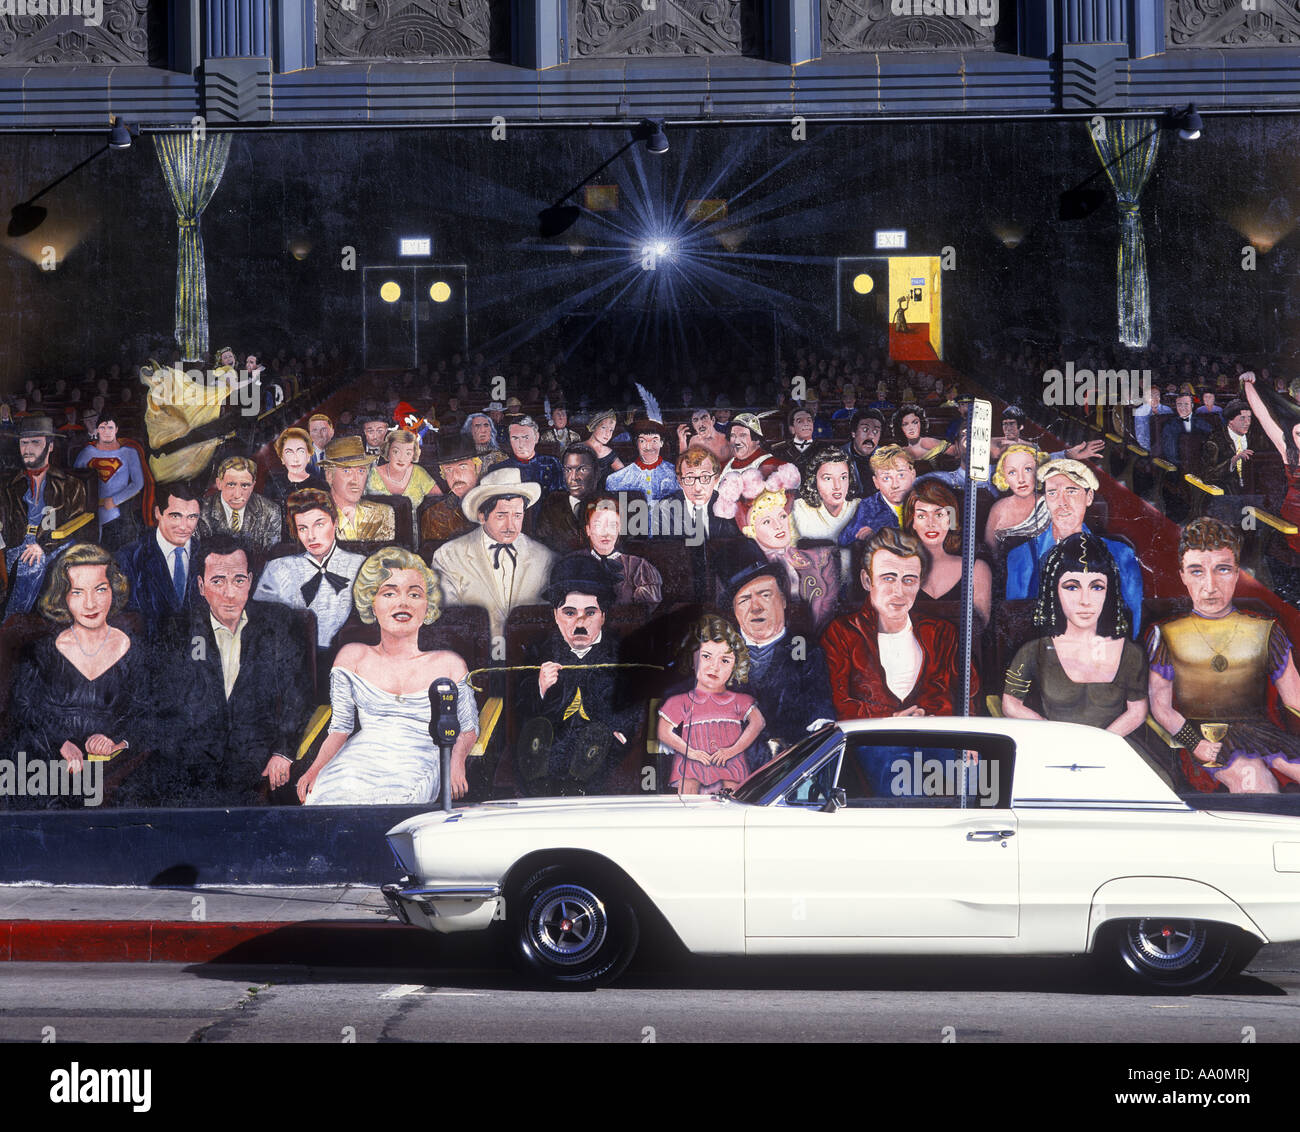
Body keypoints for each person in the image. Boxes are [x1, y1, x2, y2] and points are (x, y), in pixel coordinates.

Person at [297, 548, 477, 805]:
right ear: (372, 602)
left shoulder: (449, 664)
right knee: (322, 798)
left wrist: (456, 763)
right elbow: (340, 728)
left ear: (428, 606)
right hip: (358, 759)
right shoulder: (352, 657)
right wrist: (315, 770)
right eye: (389, 593)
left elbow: (468, 730)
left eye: (414, 594)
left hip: (419, 760)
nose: (402, 603)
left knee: (395, 804)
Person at [149, 535, 312, 806]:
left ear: (250, 581)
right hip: (192, 765)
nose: (229, 592)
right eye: (217, 581)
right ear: (201, 586)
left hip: (257, 761)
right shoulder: (178, 631)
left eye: (238, 580)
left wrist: (283, 753)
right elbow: (164, 704)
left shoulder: (279, 623)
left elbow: (298, 694)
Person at [1147, 517, 1300, 794]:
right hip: (1203, 739)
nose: (1210, 586)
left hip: (1263, 735)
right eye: (1196, 571)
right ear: (1182, 574)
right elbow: (1161, 707)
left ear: (1237, 572)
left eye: (1223, 570)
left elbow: (1295, 696)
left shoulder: (1266, 630)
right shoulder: (1166, 634)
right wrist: (1194, 742)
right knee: (1255, 780)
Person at [9, 543, 149, 806]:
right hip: (45, 770)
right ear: (63, 596)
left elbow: (148, 715)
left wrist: (118, 741)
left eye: (100, 589)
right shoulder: (43, 651)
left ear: (113, 590)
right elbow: (23, 710)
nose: (90, 603)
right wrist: (60, 743)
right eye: (78, 592)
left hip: (112, 776)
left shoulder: (136, 651)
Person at [513, 554, 643, 795]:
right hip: (552, 742)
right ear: (555, 615)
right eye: (570, 613)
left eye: (590, 613)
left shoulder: (622, 653)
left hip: (602, 744)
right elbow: (522, 707)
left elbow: (634, 703)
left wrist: (620, 730)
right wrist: (540, 687)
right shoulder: (539, 651)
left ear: (604, 615)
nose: (580, 623)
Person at [1002, 532, 1148, 738]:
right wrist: (1051, 732)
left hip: (1111, 751)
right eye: (1072, 587)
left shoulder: (1131, 653)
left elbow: (1138, 712)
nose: (1085, 600)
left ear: (1109, 592)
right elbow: (1010, 704)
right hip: (1054, 748)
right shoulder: (1034, 651)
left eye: (1097, 586)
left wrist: (1100, 743)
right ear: (1055, 591)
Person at [1005, 458, 1144, 638]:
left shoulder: (1120, 553)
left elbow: (1133, 622)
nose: (1062, 502)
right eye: (1053, 493)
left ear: (1089, 497)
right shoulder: (1022, 556)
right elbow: (1017, 625)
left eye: (1071, 491)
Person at [429, 466, 557, 637]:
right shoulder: (448, 556)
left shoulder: (545, 557)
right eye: (501, 516)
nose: (510, 526)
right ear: (482, 516)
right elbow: (448, 623)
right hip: (474, 652)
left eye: (517, 516)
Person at [727, 561, 835, 756]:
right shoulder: (719, 654)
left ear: (784, 601)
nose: (755, 608)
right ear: (734, 610)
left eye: (765, 595)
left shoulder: (807, 652)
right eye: (744, 600)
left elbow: (821, 708)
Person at [657, 614, 765, 795]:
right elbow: (663, 731)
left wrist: (732, 751)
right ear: (692, 659)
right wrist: (691, 753)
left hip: (729, 760)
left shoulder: (738, 701)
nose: (714, 667)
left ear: (735, 666)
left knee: (734, 797)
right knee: (687, 796)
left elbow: (758, 722)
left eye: (725, 660)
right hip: (692, 761)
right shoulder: (681, 701)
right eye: (706, 657)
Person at [252, 488, 366, 652]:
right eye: (303, 528)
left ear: (335, 523)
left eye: (319, 524)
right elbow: (262, 624)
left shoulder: (359, 565)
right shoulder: (278, 568)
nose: (311, 536)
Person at [1, 416, 91, 615]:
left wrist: (43, 546)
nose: (28, 448)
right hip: (15, 541)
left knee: (30, 564)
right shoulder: (9, 486)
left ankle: (10, 624)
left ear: (50, 446)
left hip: (54, 542)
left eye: (35, 442)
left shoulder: (70, 485)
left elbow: (76, 525)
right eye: (24, 443)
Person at [738, 489, 839, 630]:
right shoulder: (745, 572)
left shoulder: (821, 558)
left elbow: (828, 608)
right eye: (767, 521)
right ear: (752, 531)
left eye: (782, 516)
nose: (778, 525)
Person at [115, 481, 203, 636]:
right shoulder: (129, 557)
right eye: (175, 516)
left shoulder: (206, 555)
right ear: (157, 513)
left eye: (192, 517)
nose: (184, 526)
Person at [903, 480, 991, 630]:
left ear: (951, 519)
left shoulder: (977, 569)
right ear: (913, 522)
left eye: (939, 514)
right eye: (922, 516)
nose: (931, 523)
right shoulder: (898, 569)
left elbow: (980, 634)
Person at [1240, 370, 1300, 557]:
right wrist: (1250, 383)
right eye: (1299, 434)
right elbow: (1262, 415)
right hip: (1296, 512)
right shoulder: (1286, 450)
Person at [74, 409, 147, 552]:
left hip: (118, 515)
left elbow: (138, 483)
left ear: (116, 430)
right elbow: (75, 481)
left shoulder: (129, 453)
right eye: (102, 427)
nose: (106, 431)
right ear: (97, 430)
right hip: (90, 515)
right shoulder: (86, 453)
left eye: (110, 427)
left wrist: (114, 500)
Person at [583, 495, 662, 606]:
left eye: (612, 525)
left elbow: (643, 613)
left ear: (619, 528)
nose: (606, 533)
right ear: (588, 530)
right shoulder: (573, 563)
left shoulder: (638, 566)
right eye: (598, 525)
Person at [320, 436, 396, 542]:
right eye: (347, 471)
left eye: (361, 471)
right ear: (329, 476)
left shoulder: (383, 514)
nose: (355, 480)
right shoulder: (316, 515)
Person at [198, 456, 282, 550]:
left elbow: (271, 556)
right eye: (231, 485)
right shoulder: (200, 511)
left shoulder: (270, 511)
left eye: (245, 485)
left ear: (253, 486)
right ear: (219, 484)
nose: (237, 495)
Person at [837, 444, 915, 545]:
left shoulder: (925, 500)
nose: (895, 485)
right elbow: (844, 540)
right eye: (886, 478)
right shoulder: (868, 507)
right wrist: (865, 536)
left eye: (901, 475)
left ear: (913, 475)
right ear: (876, 482)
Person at [535, 444, 599, 553]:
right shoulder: (552, 504)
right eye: (568, 470)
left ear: (596, 473)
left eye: (582, 469)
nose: (573, 478)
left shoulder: (608, 504)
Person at [984, 443, 1048, 549]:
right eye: (1012, 472)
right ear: (1004, 477)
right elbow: (990, 550)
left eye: (1027, 469)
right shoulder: (998, 509)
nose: (1021, 479)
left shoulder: (1050, 503)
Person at [604, 417, 680, 501]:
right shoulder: (618, 479)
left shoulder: (675, 474)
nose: (648, 447)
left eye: (654, 441)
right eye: (642, 441)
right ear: (636, 443)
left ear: (661, 443)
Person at [366, 428, 438, 507]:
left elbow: (439, 504)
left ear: (413, 455)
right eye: (396, 452)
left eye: (408, 453)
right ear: (388, 450)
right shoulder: (373, 474)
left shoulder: (418, 472)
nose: (401, 458)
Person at [263, 426, 327, 510]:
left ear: (308, 456)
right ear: (282, 458)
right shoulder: (273, 482)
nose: (295, 459)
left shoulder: (322, 486)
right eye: (289, 452)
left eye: (301, 451)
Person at [499, 415, 563, 495]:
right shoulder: (500, 469)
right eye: (515, 438)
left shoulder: (552, 463)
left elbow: (561, 498)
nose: (521, 444)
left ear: (536, 437)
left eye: (526, 438)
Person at [722, 413, 783, 478]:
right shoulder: (728, 464)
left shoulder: (770, 463)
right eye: (733, 436)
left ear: (756, 439)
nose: (737, 442)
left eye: (743, 435)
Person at [843, 409, 885, 497]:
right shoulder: (839, 456)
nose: (871, 436)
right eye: (865, 430)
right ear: (853, 433)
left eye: (876, 431)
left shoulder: (887, 458)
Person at [582, 409, 625, 484]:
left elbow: (624, 479)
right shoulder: (577, 448)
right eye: (604, 427)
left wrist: (623, 496)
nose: (608, 433)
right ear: (594, 426)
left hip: (604, 494)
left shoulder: (609, 453)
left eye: (611, 430)